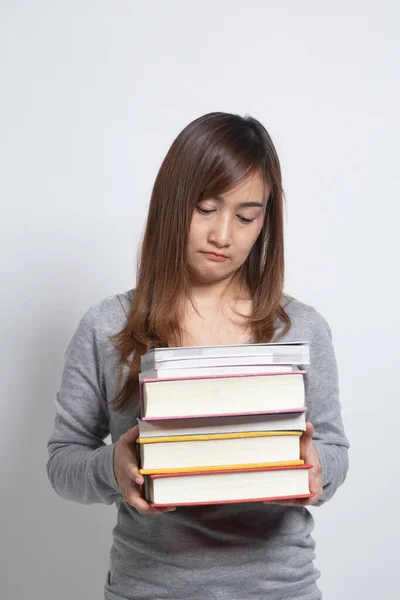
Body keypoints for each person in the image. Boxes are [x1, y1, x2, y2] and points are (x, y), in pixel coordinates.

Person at [46, 111, 349, 600]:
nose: (223, 236)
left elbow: (334, 450)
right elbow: (63, 461)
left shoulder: (303, 328)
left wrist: (316, 465)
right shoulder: (106, 326)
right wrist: (114, 469)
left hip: (279, 588)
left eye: (246, 216)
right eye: (206, 208)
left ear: (264, 222)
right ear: (172, 204)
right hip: (149, 587)